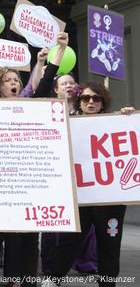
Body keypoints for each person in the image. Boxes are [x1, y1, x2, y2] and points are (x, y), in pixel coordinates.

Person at [0, 32, 68, 287]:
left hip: (25, 185)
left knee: (26, 239)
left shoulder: (31, 107)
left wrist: (59, 50)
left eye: (16, 79)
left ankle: (20, 280)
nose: (13, 83)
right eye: (7, 80)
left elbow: (48, 77)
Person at [43, 82, 135, 287]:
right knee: (69, 241)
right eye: (85, 98)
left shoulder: (117, 122)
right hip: (80, 197)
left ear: (103, 103)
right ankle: (53, 279)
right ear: (79, 102)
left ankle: (107, 283)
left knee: (109, 245)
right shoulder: (69, 124)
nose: (91, 102)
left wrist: (128, 118)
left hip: (110, 198)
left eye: (96, 98)